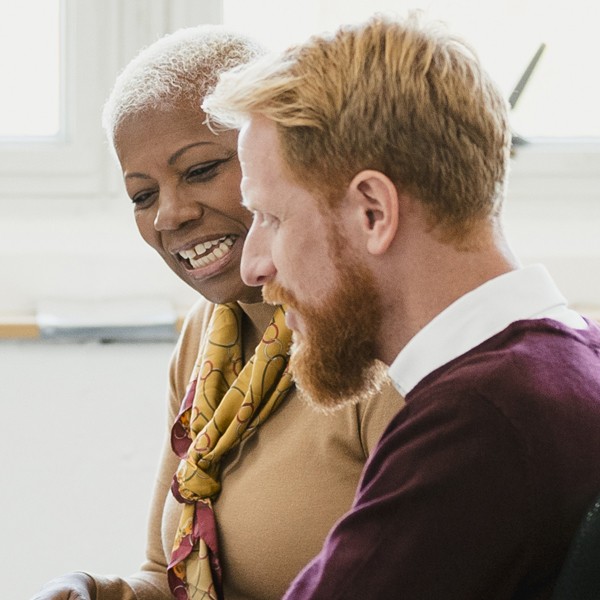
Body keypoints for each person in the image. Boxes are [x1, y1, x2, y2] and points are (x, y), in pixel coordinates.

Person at [203, 12, 600, 599]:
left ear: (373, 212)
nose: (253, 265)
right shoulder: (567, 362)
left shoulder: (478, 424)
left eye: (272, 218)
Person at [31, 25, 403, 600]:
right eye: (142, 194)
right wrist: (91, 590)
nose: (169, 216)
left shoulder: (379, 348)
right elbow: (162, 573)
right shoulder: (211, 335)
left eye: (201, 169)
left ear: (281, 158)